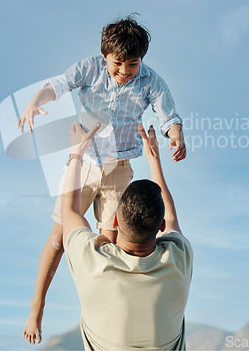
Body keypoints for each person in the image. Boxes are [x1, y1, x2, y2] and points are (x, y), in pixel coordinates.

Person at [18, 16, 187, 344]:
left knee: (110, 243)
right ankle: (36, 305)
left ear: (142, 60)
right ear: (104, 56)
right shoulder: (89, 69)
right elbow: (59, 84)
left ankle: (103, 311)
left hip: (119, 168)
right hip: (83, 161)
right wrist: (34, 102)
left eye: (133, 64)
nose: (125, 71)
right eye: (118, 63)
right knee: (60, 237)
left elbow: (169, 114)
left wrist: (176, 135)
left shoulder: (151, 81)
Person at [62, 122, 193, 350]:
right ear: (160, 226)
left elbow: (70, 212)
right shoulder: (179, 258)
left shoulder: (92, 260)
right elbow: (172, 219)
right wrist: (155, 161)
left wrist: (77, 154)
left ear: (114, 221)